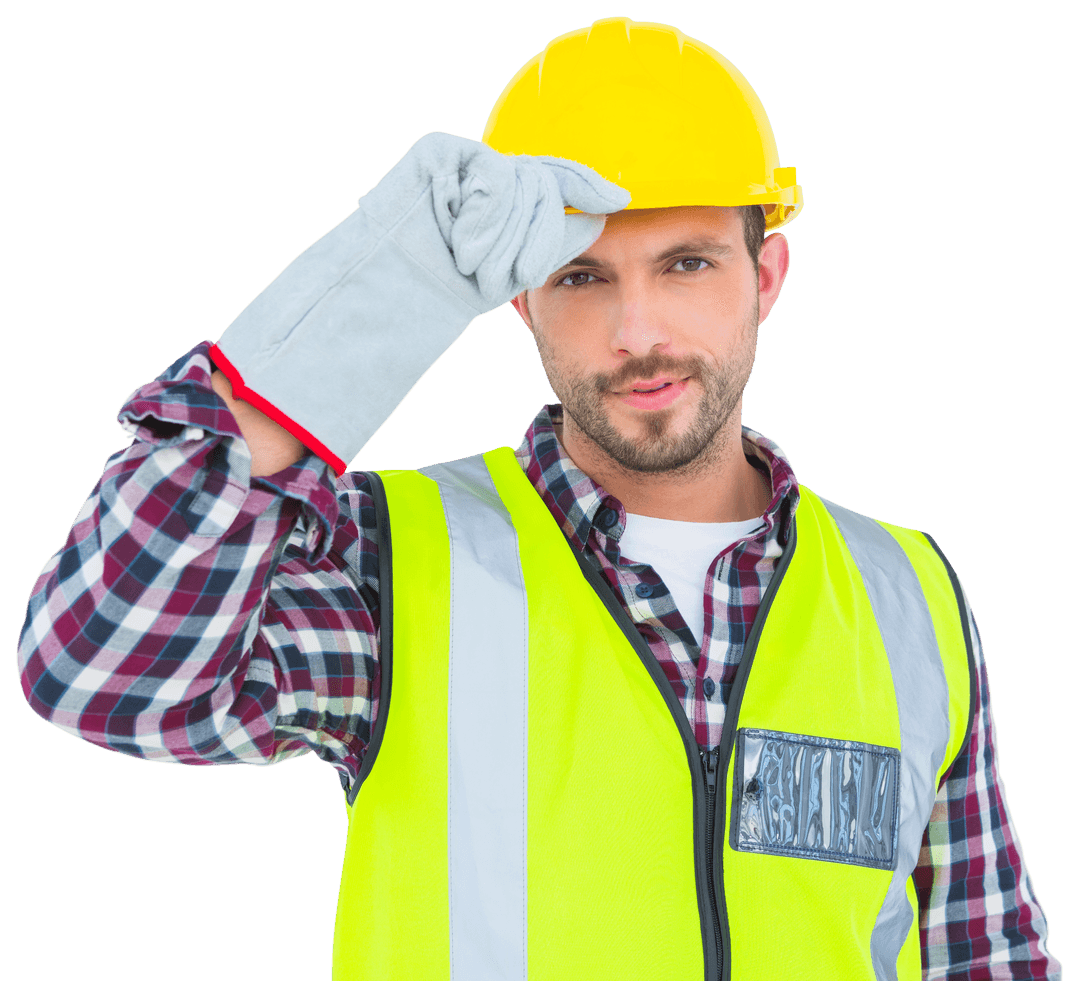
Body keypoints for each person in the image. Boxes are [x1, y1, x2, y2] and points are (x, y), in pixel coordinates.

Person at [15, 15, 1060, 981]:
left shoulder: (906, 593)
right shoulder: (394, 566)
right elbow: (100, 673)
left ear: (767, 275)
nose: (636, 331)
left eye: (687, 263)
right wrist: (360, 312)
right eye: (581, 276)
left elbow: (987, 951)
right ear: (516, 295)